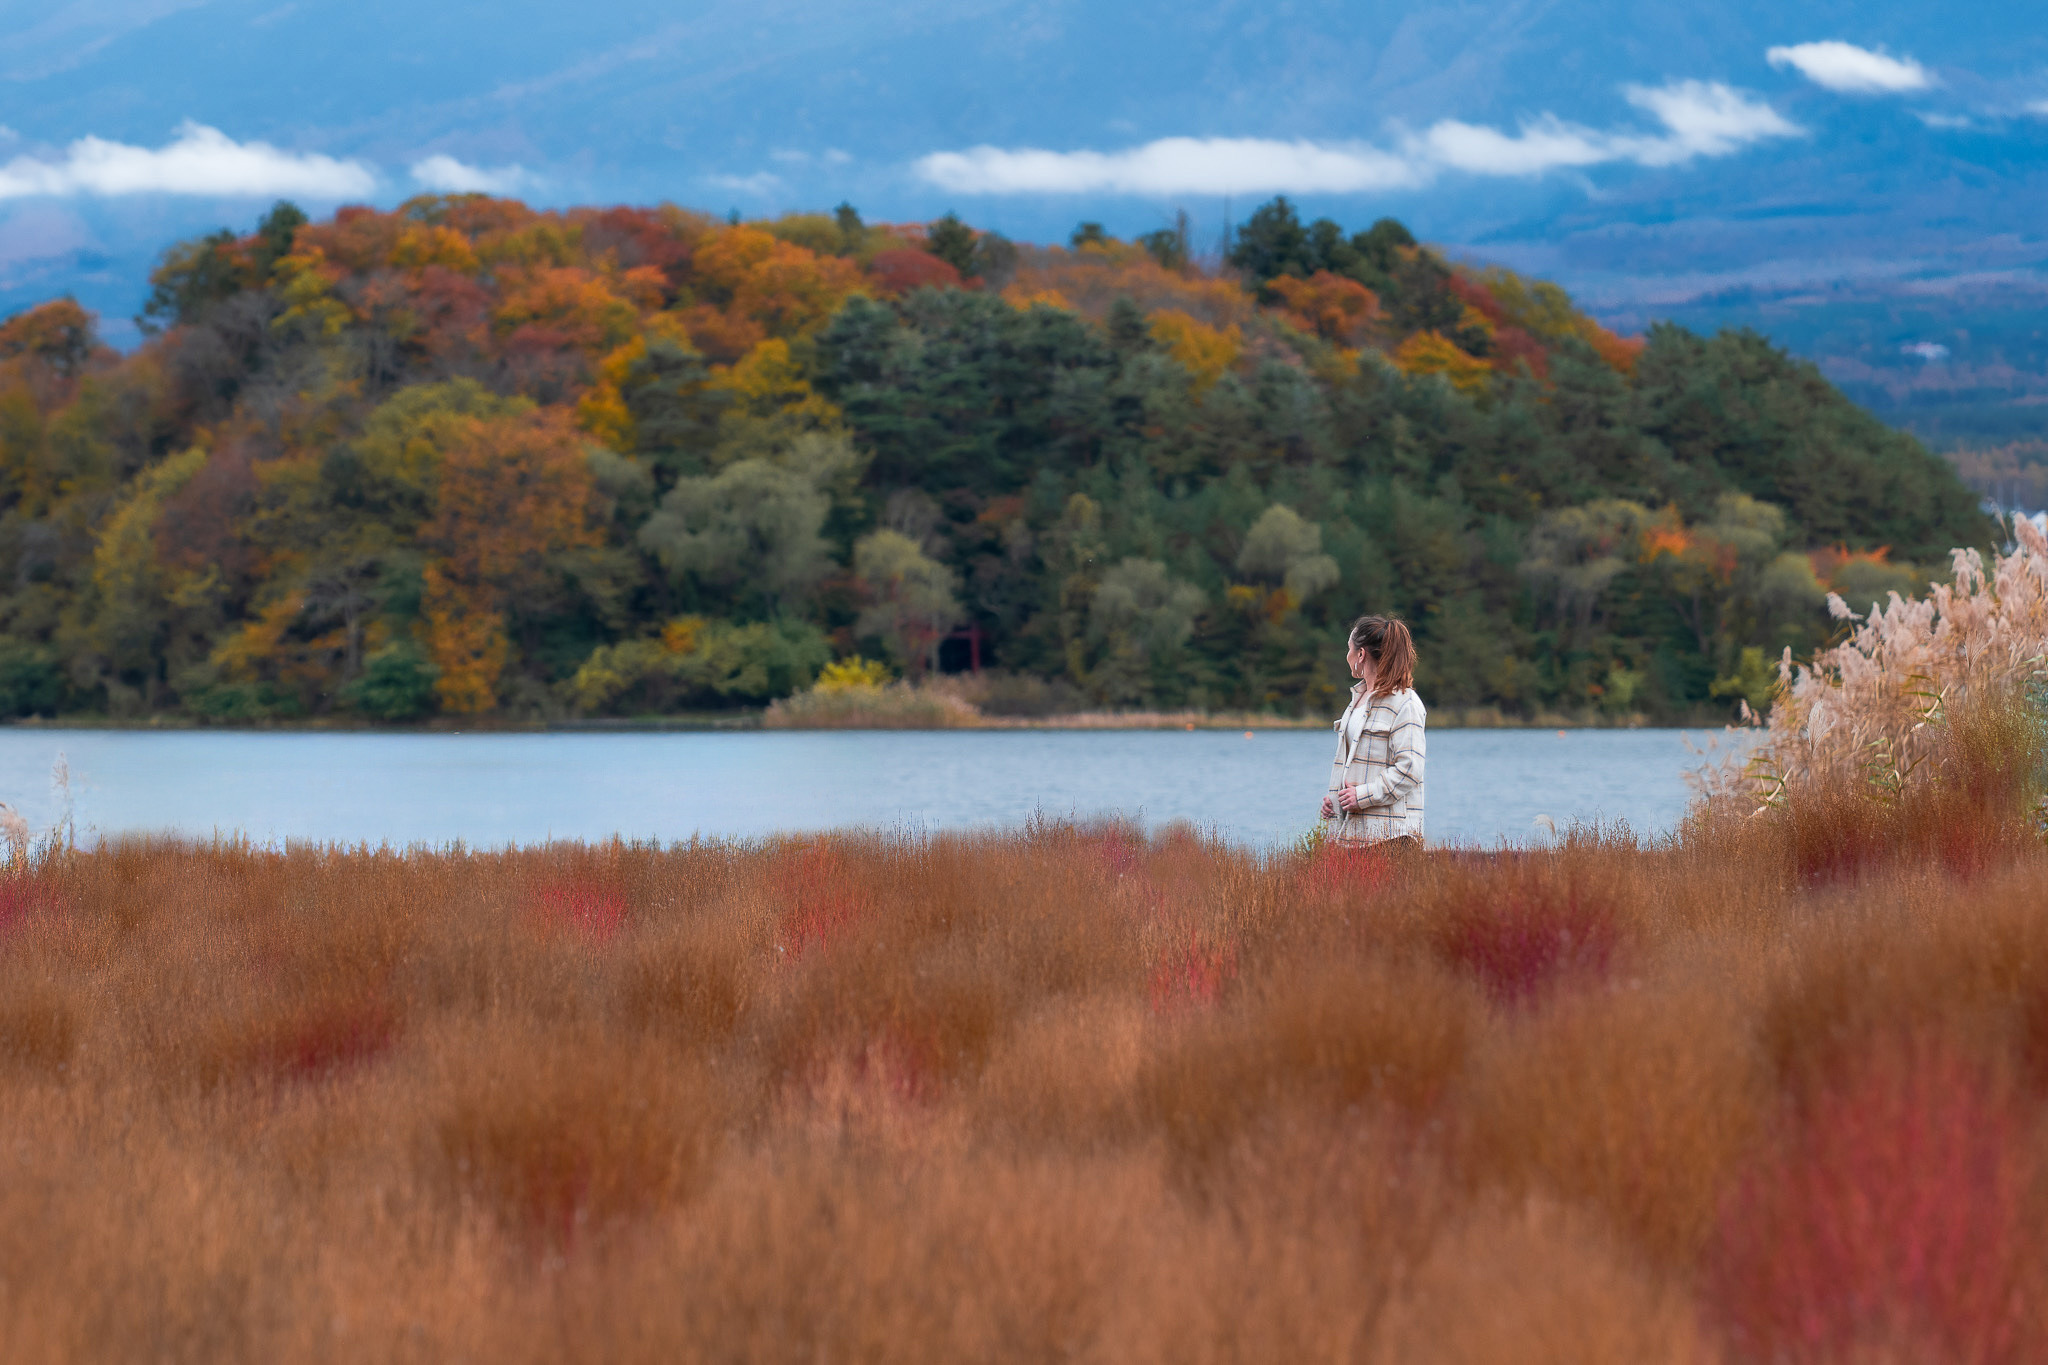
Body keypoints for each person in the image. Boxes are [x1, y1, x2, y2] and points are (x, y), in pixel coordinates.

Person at [1320, 614, 1425, 848]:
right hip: (1351, 836)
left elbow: (1410, 769)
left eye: (1349, 648)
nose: (1346, 655)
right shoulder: (1357, 700)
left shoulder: (1405, 702)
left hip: (1391, 838)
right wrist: (1335, 800)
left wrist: (1362, 796)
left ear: (1360, 654)